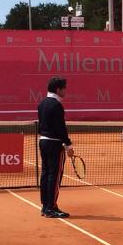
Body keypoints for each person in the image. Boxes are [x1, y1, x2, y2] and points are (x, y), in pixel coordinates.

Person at [37, 77, 74, 218]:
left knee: (45, 173)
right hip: (54, 144)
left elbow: (43, 125)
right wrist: (68, 144)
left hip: (43, 142)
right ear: (58, 89)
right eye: (64, 88)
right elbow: (60, 128)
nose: (65, 90)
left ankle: (46, 205)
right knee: (54, 175)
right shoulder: (56, 105)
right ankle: (51, 207)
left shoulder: (42, 104)